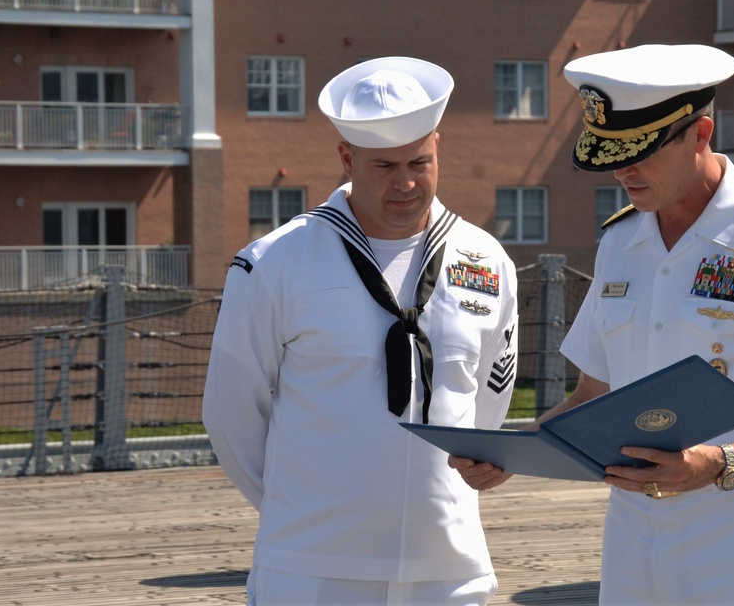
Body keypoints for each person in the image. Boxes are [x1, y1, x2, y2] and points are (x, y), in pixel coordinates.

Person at [450, 43, 734, 605]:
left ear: (700, 134)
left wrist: (718, 464)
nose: (622, 170)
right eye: (611, 152)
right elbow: (593, 396)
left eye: (641, 152)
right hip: (634, 554)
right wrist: (517, 451)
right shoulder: (622, 240)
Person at [202, 56, 519, 606]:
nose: (406, 183)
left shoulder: (486, 260)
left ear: (438, 147)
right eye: (384, 167)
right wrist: (304, 510)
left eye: (419, 161)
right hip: (313, 569)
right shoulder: (276, 262)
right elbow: (231, 412)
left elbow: (490, 399)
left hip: (447, 569)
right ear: (346, 158)